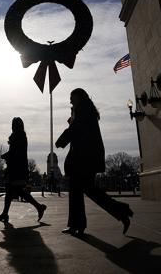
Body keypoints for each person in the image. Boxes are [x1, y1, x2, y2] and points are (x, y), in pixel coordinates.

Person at [56, 88, 133, 235]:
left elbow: (76, 129)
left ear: (79, 97)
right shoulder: (84, 110)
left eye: (72, 97)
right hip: (84, 158)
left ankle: (79, 224)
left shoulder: (83, 110)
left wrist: (61, 140)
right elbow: (78, 129)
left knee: (83, 191)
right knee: (81, 191)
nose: (70, 100)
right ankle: (78, 224)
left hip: (84, 159)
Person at [0, 117, 47, 223]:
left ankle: (38, 207)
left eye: (13, 124)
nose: (12, 126)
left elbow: (16, 153)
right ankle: (6, 213)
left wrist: (6, 156)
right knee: (12, 190)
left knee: (16, 191)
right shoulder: (20, 136)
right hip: (16, 168)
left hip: (17, 169)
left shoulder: (18, 137)